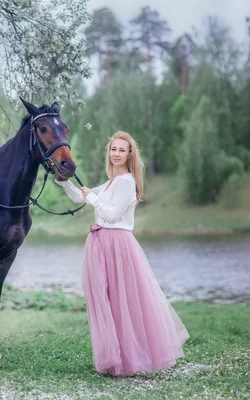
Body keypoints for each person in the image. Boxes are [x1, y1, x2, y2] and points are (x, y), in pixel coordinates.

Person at [56, 131, 189, 376]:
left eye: (121, 150)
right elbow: (81, 196)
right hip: (100, 243)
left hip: (118, 244)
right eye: (113, 149)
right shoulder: (109, 183)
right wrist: (64, 182)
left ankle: (130, 359)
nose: (116, 153)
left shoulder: (127, 182)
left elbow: (112, 214)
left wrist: (94, 198)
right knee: (106, 301)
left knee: (123, 301)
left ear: (129, 155)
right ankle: (113, 357)